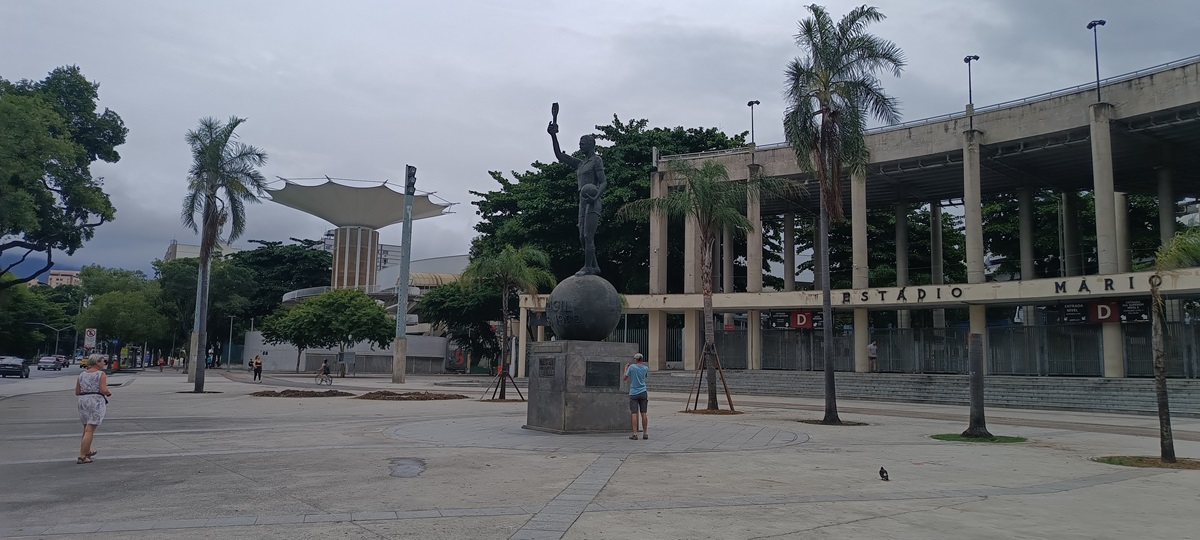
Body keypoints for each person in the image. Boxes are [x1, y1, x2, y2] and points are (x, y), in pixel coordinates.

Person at [548, 106, 607, 276]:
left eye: (582, 143)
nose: (580, 145)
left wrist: (595, 197)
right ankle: (594, 266)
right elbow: (560, 156)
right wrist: (554, 135)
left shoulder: (597, 161)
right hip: (582, 201)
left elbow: (604, 182)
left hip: (593, 200)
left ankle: (589, 267)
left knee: (588, 236)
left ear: (590, 144)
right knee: (582, 237)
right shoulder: (580, 164)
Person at [74, 355, 112, 464]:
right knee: (90, 429)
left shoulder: (82, 374)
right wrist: (108, 393)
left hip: (83, 400)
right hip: (95, 400)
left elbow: (77, 391)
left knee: (86, 427)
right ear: (97, 362)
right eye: (103, 361)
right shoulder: (101, 374)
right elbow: (103, 389)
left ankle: (87, 450)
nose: (104, 363)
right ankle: (82, 455)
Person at [623, 353, 649, 440]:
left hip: (634, 392)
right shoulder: (645, 368)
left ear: (636, 359)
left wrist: (626, 368)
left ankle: (635, 434)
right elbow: (645, 376)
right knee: (644, 413)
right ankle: (645, 433)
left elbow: (625, 378)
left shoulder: (632, 367)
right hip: (643, 392)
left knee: (634, 413)